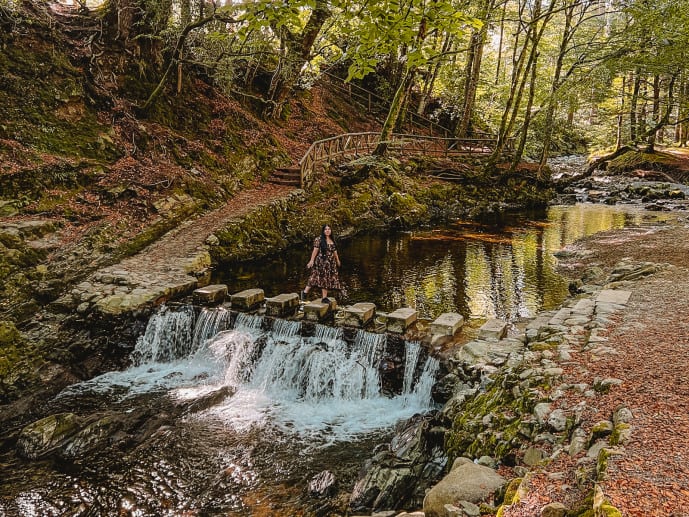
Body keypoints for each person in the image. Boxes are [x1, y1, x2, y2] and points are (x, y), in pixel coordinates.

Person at [301, 224, 342, 303]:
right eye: (326, 229)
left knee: (325, 279)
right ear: (323, 231)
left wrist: (337, 260)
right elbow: (315, 251)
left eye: (329, 229)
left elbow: (335, 252)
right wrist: (311, 260)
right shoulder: (319, 239)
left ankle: (324, 298)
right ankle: (305, 293)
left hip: (330, 263)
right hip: (321, 262)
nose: (327, 230)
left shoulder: (332, 239)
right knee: (315, 277)